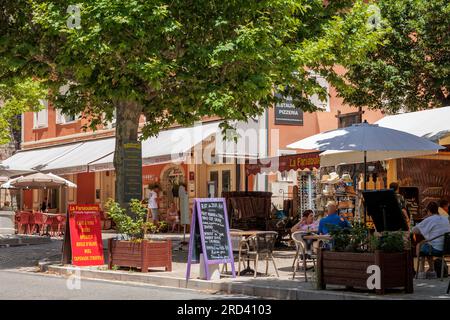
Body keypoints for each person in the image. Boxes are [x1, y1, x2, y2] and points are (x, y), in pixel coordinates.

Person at [412, 201, 450, 279]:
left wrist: (424, 222)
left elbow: (414, 230)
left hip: (437, 249)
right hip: (447, 248)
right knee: (428, 244)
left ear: (428, 211)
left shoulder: (430, 219)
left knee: (420, 245)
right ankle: (431, 271)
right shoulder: (445, 218)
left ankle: (421, 272)